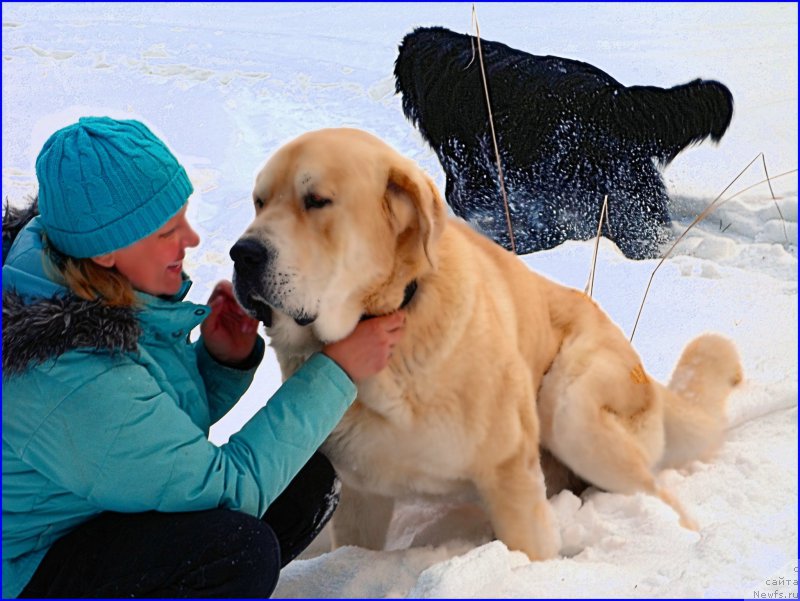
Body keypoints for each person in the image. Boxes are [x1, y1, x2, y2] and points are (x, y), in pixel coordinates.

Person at [1, 116, 406, 598]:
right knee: (236, 552)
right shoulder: (66, 373)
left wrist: (218, 363)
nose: (191, 239)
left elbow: (148, 434)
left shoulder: (75, 269)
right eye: (167, 232)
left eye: (184, 218)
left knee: (304, 479)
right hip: (29, 567)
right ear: (107, 250)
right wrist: (338, 369)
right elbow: (228, 490)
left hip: (87, 508)